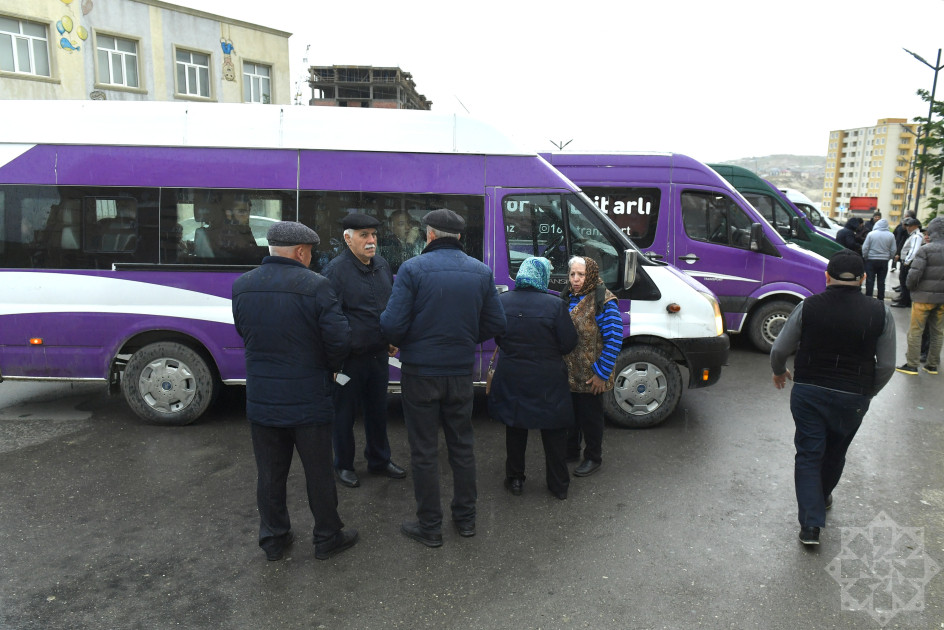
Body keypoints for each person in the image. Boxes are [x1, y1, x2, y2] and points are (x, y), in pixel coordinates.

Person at [232, 221, 359, 562]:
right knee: (318, 472)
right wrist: (329, 367)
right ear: (301, 252)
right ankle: (327, 537)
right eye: (311, 253)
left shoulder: (242, 286)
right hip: (309, 397)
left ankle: (273, 539)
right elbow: (339, 340)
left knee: (270, 473)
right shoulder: (316, 286)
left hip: (262, 398)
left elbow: (245, 332)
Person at [380, 208, 506, 547]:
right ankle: (466, 521)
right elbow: (497, 323)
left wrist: (411, 339)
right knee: (462, 447)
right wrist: (464, 338)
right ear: (460, 237)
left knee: (423, 451)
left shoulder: (412, 269)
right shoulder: (480, 272)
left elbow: (391, 325)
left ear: (429, 235)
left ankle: (430, 527)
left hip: (420, 372)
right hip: (460, 372)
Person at [770, 249, 895, 546]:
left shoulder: (809, 306)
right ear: (864, 279)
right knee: (836, 451)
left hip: (809, 391)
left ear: (826, 276)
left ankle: (811, 527)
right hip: (853, 396)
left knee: (810, 453)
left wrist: (778, 371)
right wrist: (867, 390)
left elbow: (779, 350)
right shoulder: (880, 312)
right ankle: (822, 495)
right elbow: (888, 365)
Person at [321, 213, 406, 488]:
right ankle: (343, 465)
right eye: (364, 235)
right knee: (344, 415)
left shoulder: (381, 265)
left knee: (378, 412)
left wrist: (391, 337)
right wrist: (335, 361)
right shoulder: (335, 272)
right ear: (348, 239)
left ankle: (379, 460)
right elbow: (329, 318)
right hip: (349, 360)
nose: (371, 241)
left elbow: (388, 306)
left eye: (374, 235)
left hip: (378, 356)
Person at [488, 257, 578, 500]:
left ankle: (515, 480)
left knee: (516, 428)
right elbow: (568, 343)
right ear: (542, 276)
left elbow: (498, 337)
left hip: (513, 376)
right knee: (554, 431)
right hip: (548, 379)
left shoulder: (503, 300)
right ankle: (558, 486)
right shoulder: (555, 305)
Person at [562, 256, 622, 478]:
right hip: (570, 374)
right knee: (570, 416)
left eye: (581, 274)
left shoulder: (604, 300)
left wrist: (601, 373)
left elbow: (615, 339)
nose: (576, 279)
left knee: (591, 419)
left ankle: (593, 458)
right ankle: (570, 451)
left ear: (592, 275)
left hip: (591, 376)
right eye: (572, 274)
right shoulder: (568, 297)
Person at [896, 217, 944, 376]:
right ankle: (932, 365)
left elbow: (914, 275)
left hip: (922, 298)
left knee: (916, 331)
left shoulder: (926, 250)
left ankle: (912, 364)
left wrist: (909, 287)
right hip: (941, 300)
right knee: (937, 332)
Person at [891, 217, 922, 308]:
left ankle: (904, 302)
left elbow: (914, 250)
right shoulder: (913, 235)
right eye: (907, 225)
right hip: (907, 261)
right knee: (903, 282)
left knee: (905, 282)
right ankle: (904, 300)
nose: (908, 227)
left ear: (916, 226)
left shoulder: (916, 236)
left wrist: (907, 261)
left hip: (908, 263)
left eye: (910, 226)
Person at [861, 218, 895, 300]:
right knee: (881, 281)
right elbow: (893, 250)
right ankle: (880, 299)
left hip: (871, 260)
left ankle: (869, 298)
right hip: (884, 261)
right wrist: (888, 257)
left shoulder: (871, 234)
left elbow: (865, 248)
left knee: (870, 280)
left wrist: (865, 257)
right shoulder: (891, 235)